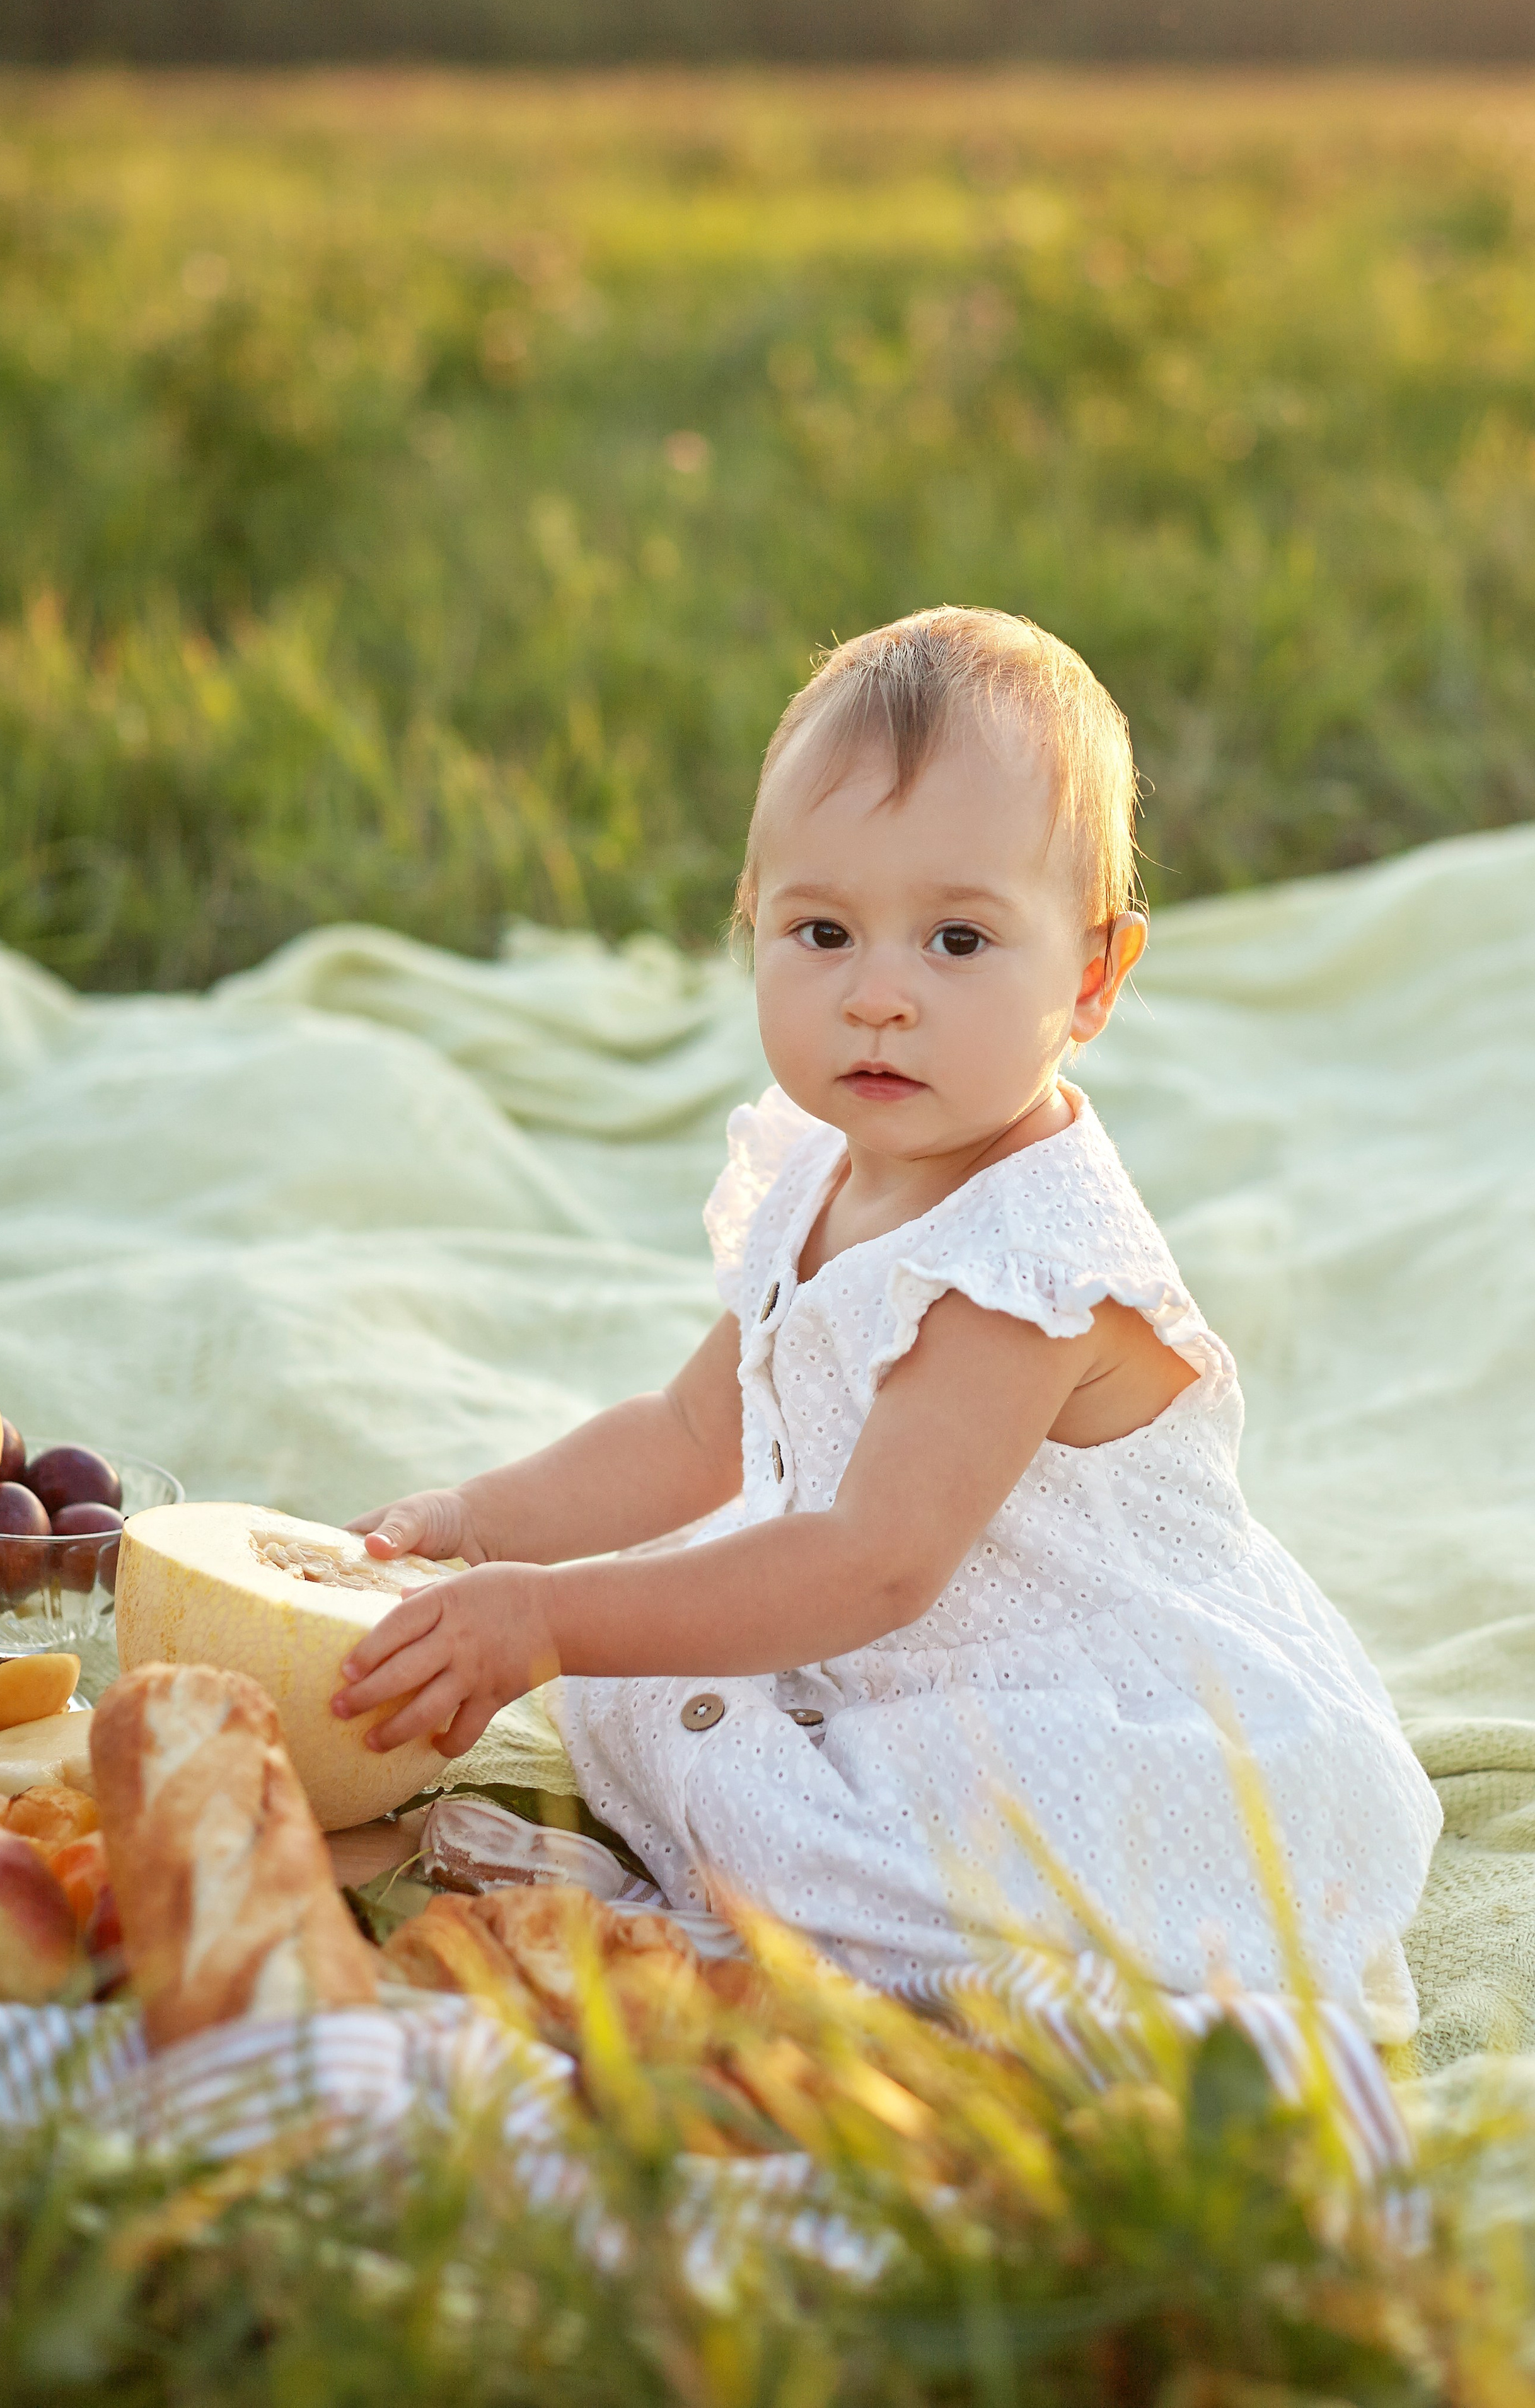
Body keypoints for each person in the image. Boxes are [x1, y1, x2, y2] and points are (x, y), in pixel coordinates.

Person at [333, 606, 1440, 2039]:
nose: (876, 997)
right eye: (822, 932)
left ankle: (804, 1964)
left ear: (1092, 977)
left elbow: (874, 1564)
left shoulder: (1026, 1265)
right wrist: (480, 1528)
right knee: (644, 1690)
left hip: (1097, 1715)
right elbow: (691, 1429)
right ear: (751, 921)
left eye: (957, 939)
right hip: (894, 1647)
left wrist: (547, 1621)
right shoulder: (820, 1170)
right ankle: (735, 1906)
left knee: (790, 1787)